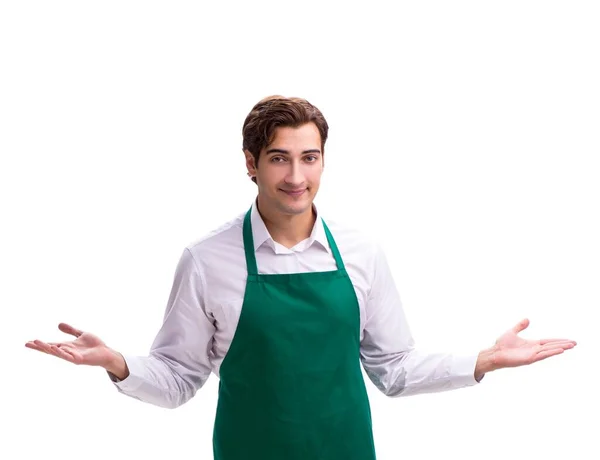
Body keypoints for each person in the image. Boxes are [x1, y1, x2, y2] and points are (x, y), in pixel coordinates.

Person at [26, 95, 577, 460]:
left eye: (309, 158)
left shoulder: (361, 252)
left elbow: (394, 369)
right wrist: (120, 365)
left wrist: (483, 361)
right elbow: (177, 380)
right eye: (279, 159)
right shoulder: (208, 259)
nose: (296, 176)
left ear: (323, 160)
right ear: (250, 162)